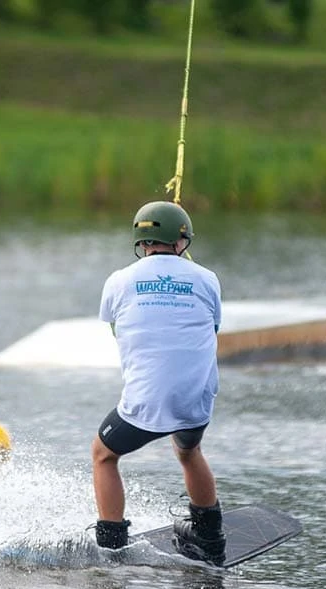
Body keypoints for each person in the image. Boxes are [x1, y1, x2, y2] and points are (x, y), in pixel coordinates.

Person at [90, 200, 226, 565]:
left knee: (104, 455)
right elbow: (211, 328)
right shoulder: (208, 278)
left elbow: (116, 329)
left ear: (141, 241)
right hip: (196, 400)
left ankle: (112, 543)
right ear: (183, 241)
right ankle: (210, 537)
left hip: (145, 403)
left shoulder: (118, 280)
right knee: (188, 451)